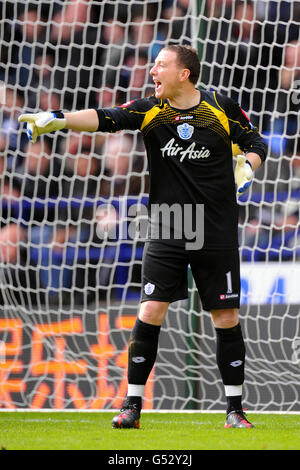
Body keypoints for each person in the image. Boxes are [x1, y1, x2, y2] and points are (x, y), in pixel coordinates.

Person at [18, 45, 267, 428]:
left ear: (184, 73)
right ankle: (132, 405)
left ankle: (234, 410)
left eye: (161, 65)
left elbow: (255, 143)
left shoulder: (220, 105)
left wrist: (247, 168)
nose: (153, 71)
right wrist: (58, 118)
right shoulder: (151, 108)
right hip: (168, 224)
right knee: (150, 310)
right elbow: (106, 118)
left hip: (215, 226)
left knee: (225, 315)